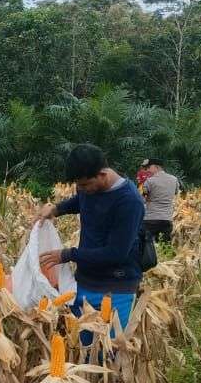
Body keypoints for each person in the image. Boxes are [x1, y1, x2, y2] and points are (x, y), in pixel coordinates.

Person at [36, 144, 144, 341]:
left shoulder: (129, 202)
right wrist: (56, 209)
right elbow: (80, 200)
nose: (81, 190)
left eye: (84, 185)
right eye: (78, 186)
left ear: (103, 174)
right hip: (85, 282)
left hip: (115, 288)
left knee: (108, 354)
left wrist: (67, 254)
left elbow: (116, 253)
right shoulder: (90, 190)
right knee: (84, 349)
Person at [139, 158, 178, 243]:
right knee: (165, 247)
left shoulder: (149, 181)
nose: (147, 170)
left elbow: (143, 198)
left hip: (151, 219)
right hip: (167, 219)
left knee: (147, 248)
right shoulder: (174, 179)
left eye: (149, 167)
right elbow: (175, 193)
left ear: (156, 167)